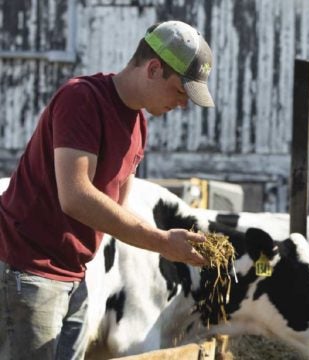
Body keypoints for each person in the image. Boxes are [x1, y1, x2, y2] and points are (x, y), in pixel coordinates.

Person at [0, 20, 214, 359]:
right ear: (154, 68)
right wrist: (161, 242)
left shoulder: (138, 125)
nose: (184, 105)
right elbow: (77, 196)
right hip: (30, 269)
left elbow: (116, 210)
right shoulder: (82, 99)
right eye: (180, 91)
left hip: (75, 274)